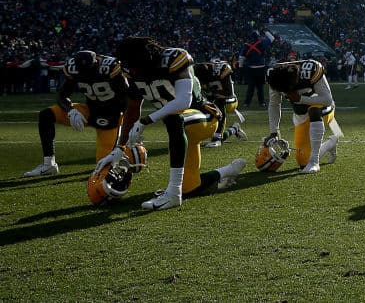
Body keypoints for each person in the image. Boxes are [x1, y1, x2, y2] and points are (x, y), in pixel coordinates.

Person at [96, 36, 246, 211]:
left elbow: (183, 101)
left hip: (205, 117)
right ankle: (229, 170)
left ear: (144, 58)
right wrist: (119, 148)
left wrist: (146, 120)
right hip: (181, 128)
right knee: (191, 186)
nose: (132, 71)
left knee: (175, 119)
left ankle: (174, 193)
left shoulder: (173, 58)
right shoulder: (135, 71)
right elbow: (132, 110)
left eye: (134, 64)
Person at [23, 50, 129, 177]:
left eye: (88, 71)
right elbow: (62, 96)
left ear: (96, 63)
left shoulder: (110, 67)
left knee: (103, 166)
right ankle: (49, 164)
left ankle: (125, 155)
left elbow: (127, 98)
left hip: (110, 115)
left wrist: (124, 121)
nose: (85, 74)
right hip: (89, 110)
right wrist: (71, 110)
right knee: (46, 115)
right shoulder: (74, 68)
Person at [265, 58, 340, 174]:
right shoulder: (274, 75)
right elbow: (274, 104)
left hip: (323, 109)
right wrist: (273, 131)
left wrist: (301, 99)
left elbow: (327, 100)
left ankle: (314, 162)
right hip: (300, 116)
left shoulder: (311, 70)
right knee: (302, 162)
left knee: (314, 110)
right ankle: (330, 143)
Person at [193, 59, 246, 148]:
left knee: (219, 103)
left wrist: (211, 95)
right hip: (213, 97)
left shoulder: (222, 71)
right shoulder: (196, 72)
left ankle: (218, 137)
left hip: (229, 99)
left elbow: (228, 94)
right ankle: (234, 129)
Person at [239, 30, 274, 107]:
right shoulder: (262, 42)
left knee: (250, 87)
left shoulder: (246, 45)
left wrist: (240, 68)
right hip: (261, 68)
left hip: (250, 68)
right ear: (258, 36)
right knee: (260, 87)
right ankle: (261, 102)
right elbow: (272, 38)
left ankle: (247, 103)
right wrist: (266, 31)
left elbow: (241, 57)